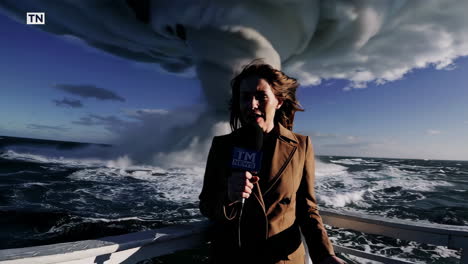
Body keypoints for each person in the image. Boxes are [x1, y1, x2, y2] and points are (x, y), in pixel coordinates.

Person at [199, 62, 345, 264]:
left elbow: (307, 208)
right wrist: (228, 198)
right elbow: (206, 204)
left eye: (261, 96)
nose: (252, 104)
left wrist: (325, 255)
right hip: (234, 257)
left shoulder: (301, 145)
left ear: (278, 101)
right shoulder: (222, 146)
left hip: (282, 259)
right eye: (245, 97)